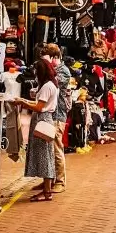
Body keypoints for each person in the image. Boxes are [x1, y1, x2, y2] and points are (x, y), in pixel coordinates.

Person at [14, 60, 59, 201]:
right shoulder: (52, 84)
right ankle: (47, 188)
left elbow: (39, 107)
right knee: (46, 155)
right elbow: (39, 104)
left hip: (42, 121)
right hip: (44, 119)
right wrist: (24, 100)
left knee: (45, 156)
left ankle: (47, 191)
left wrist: (22, 102)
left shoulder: (46, 86)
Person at [41, 44, 70, 194]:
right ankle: (48, 179)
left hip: (58, 115)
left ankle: (60, 181)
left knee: (57, 148)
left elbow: (53, 85)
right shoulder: (50, 70)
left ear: (54, 57)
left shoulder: (63, 71)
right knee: (47, 149)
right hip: (48, 115)